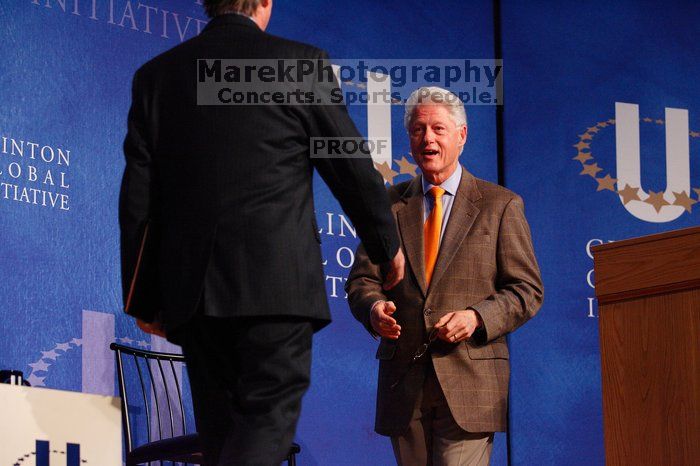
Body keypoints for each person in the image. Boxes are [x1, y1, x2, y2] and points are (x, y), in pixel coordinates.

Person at [119, 1, 405, 464]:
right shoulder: (301, 64)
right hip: (276, 288)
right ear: (266, 3)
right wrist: (386, 244)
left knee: (222, 436)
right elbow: (349, 167)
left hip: (195, 296)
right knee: (263, 425)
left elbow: (138, 198)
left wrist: (142, 297)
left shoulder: (157, 75)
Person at [346, 86, 543, 466]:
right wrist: (373, 309)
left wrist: (477, 317)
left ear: (462, 136)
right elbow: (361, 281)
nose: (427, 138)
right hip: (404, 383)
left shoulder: (500, 205)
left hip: (471, 382)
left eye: (438, 128)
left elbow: (527, 290)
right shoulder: (388, 205)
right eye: (418, 130)